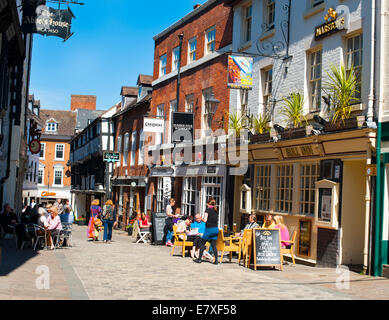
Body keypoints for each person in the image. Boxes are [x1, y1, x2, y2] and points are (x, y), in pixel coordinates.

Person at [194, 198, 219, 265]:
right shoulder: (216, 210)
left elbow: (205, 220)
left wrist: (200, 218)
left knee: (202, 243)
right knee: (213, 245)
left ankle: (199, 259)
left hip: (209, 229)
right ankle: (216, 260)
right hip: (216, 229)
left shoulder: (207, 210)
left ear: (208, 203)